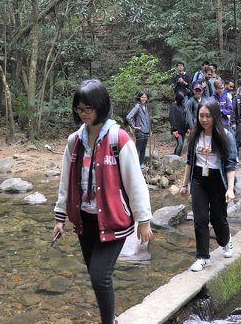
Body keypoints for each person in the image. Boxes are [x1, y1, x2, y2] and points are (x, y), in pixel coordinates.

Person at [53, 79, 153, 324]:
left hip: (113, 219)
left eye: (88, 109)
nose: (83, 114)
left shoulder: (118, 139)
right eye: (79, 109)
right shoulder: (74, 141)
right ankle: (112, 318)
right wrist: (60, 217)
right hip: (85, 220)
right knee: (95, 274)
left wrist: (144, 219)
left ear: (101, 106)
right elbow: (66, 179)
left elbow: (135, 182)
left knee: (100, 276)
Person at [180, 98, 237, 272]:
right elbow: (189, 161)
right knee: (200, 219)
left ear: (215, 117)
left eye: (208, 116)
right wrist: (184, 185)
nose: (204, 120)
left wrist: (229, 188)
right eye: (201, 116)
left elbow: (231, 164)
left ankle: (226, 241)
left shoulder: (225, 136)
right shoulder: (195, 135)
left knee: (218, 219)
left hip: (217, 180)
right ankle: (203, 257)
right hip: (199, 179)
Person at [126, 91, 150, 169]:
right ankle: (134, 165)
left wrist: (149, 130)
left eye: (145, 97)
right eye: (142, 97)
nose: (144, 99)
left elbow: (147, 119)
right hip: (140, 131)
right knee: (138, 149)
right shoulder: (137, 107)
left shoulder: (145, 106)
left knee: (143, 149)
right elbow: (128, 117)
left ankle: (141, 164)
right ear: (139, 98)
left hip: (146, 131)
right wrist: (134, 126)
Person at [169, 91, 189, 156]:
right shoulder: (173, 106)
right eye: (181, 99)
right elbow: (172, 118)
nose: (182, 100)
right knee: (180, 143)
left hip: (183, 130)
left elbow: (185, 117)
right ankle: (176, 158)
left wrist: (187, 128)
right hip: (176, 130)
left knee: (181, 144)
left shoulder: (182, 106)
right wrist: (174, 129)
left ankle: (175, 156)